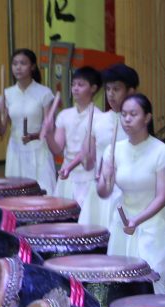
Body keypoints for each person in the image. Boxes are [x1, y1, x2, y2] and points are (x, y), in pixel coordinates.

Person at [97, 93, 165, 294]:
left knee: (151, 281)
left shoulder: (161, 151)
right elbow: (103, 192)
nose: (126, 119)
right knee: (121, 283)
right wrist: (105, 177)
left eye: (133, 114)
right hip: (123, 223)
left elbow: (162, 196)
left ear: (147, 118)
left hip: (152, 223)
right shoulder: (113, 150)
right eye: (124, 114)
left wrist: (137, 220)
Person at [77, 63, 139, 228]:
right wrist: (85, 159)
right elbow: (88, 161)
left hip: (126, 192)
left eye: (116, 89)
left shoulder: (138, 125)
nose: (110, 94)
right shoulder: (98, 120)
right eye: (108, 89)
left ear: (131, 91)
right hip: (100, 189)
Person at [0, 49, 57, 195]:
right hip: (16, 150)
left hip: (39, 150)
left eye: (23, 63)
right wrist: (0, 112)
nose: (18, 67)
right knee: (16, 195)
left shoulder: (44, 92)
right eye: (15, 63)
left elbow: (50, 128)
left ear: (33, 66)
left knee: (44, 193)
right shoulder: (7, 94)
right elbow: (0, 131)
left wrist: (34, 136)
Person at [47, 66, 103, 208]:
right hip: (66, 177)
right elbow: (57, 148)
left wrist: (71, 167)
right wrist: (48, 134)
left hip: (87, 176)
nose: (75, 88)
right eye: (73, 85)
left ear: (93, 88)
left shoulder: (99, 118)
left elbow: (88, 156)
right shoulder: (64, 115)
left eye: (81, 85)